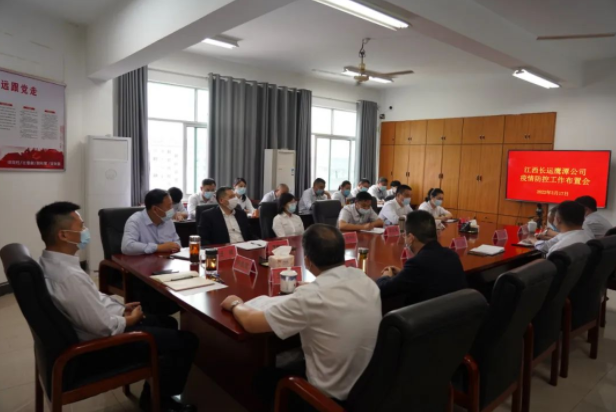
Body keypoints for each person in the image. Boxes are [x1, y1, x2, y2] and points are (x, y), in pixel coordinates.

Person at [36, 202, 198, 412]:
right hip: (98, 347)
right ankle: (161, 404)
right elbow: (101, 327)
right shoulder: (68, 277)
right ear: (63, 235)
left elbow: (91, 300)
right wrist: (128, 320)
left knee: (166, 322)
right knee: (187, 341)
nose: (85, 230)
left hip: (95, 328)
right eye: (81, 226)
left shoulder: (52, 262)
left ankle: (154, 394)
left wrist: (120, 308)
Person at [220, 224, 381, 406]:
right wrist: (312, 288)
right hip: (366, 387)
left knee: (262, 379)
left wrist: (236, 304)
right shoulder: (365, 280)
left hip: (328, 398)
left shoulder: (311, 297)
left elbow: (251, 322)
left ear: (307, 260)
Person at [377, 210, 467, 307]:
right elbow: (429, 275)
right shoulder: (452, 255)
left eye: (405, 235)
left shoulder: (417, 264)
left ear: (411, 237)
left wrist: (385, 276)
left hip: (428, 314)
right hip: (455, 312)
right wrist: (403, 273)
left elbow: (383, 289)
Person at [121, 189, 181, 255]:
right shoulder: (135, 220)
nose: (172, 209)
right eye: (169, 206)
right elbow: (127, 246)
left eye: (172, 205)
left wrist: (176, 246)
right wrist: (158, 248)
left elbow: (176, 240)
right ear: (155, 209)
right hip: (143, 260)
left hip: (166, 259)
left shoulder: (168, 221)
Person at [527, 200, 593, 257]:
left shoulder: (559, 249)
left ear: (558, 220)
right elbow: (546, 246)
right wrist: (533, 240)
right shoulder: (589, 235)